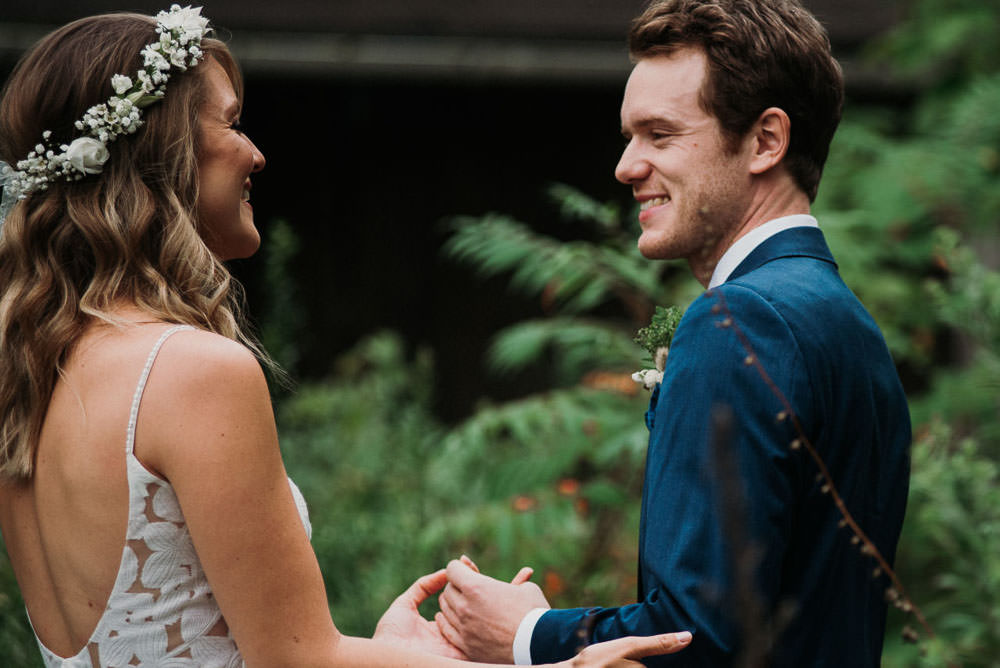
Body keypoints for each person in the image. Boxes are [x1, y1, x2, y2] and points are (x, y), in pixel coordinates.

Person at [0, 7, 694, 667]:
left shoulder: (28, 377)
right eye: (234, 123)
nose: (256, 154)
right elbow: (296, 659)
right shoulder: (190, 371)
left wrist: (388, 652)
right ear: (163, 153)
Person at [433, 0, 912, 666]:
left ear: (766, 142)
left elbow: (695, 637)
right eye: (630, 136)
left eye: (659, 135)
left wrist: (524, 634)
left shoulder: (734, 323)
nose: (627, 166)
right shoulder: (849, 323)